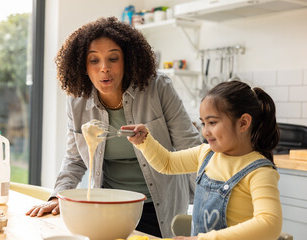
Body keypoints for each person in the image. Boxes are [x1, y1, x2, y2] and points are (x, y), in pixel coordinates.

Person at [26, 16, 201, 238]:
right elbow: (74, 159)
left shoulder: (158, 88)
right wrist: (56, 196)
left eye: (113, 58)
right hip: (108, 206)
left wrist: (212, 203)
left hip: (159, 207)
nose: (104, 68)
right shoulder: (77, 100)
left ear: (127, 60)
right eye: (94, 60)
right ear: (82, 65)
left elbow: (191, 148)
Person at [123, 80, 282, 240]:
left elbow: (269, 224)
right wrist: (144, 141)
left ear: (243, 123)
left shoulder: (259, 172)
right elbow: (167, 164)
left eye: (212, 122)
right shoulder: (206, 154)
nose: (205, 131)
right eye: (203, 123)